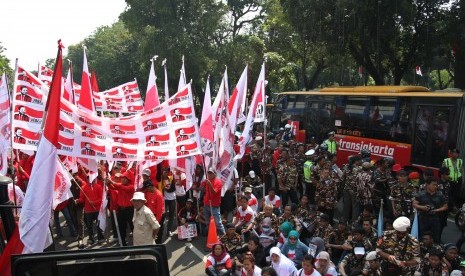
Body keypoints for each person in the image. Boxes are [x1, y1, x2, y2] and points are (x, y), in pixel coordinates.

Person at [413, 177, 448, 243]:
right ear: (427, 185)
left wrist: (437, 210)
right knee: (423, 236)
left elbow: (445, 206)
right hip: (423, 218)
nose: (435, 186)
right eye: (433, 185)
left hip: (435, 218)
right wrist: (422, 207)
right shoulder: (421, 194)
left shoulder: (440, 194)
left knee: (435, 237)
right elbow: (414, 204)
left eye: (436, 185)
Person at [74, 174, 104, 245]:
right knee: (89, 226)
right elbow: (82, 199)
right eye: (88, 178)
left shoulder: (99, 187)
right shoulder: (83, 188)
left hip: (97, 210)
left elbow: (101, 199)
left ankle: (100, 238)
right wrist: (78, 200)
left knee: (98, 225)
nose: (89, 179)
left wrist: (94, 202)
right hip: (88, 211)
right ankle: (91, 238)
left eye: (90, 178)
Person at [108, 171, 135, 246]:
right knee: (121, 226)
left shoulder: (131, 187)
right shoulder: (120, 185)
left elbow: (121, 187)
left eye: (124, 178)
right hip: (121, 210)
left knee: (132, 226)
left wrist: (111, 181)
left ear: (128, 180)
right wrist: (107, 182)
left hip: (129, 209)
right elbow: (112, 187)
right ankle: (123, 242)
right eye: (122, 178)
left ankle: (136, 241)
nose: (122, 179)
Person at [139, 168, 165, 244]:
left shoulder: (158, 195)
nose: (145, 190)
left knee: (157, 234)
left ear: (150, 187)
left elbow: (159, 212)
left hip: (157, 216)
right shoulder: (147, 192)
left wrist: (155, 224)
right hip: (150, 215)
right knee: (150, 234)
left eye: (146, 188)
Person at [202, 167, 225, 236]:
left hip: (214, 205)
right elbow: (201, 188)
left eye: (211, 173)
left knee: (218, 223)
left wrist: (210, 185)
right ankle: (212, 236)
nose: (209, 175)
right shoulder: (206, 181)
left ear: (215, 174)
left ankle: (224, 237)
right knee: (208, 222)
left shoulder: (218, 182)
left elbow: (214, 192)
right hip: (206, 204)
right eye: (208, 173)